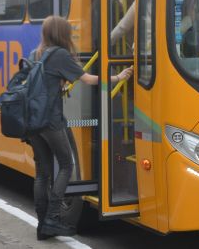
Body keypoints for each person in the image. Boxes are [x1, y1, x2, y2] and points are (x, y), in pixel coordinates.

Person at [27, 15, 132, 240]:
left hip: (33, 122)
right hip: (51, 121)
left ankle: (42, 224)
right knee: (66, 164)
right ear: (61, 34)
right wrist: (118, 76)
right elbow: (88, 79)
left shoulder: (37, 53)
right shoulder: (60, 54)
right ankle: (53, 219)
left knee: (42, 173)